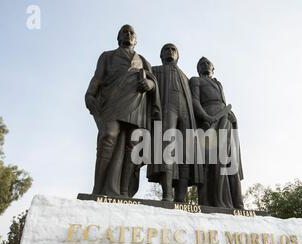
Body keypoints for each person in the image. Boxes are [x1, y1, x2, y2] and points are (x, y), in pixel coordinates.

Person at [85, 25, 161, 197]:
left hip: (136, 104)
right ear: (118, 38)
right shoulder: (108, 56)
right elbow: (98, 77)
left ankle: (125, 191)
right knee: (108, 136)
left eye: (132, 32)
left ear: (136, 39)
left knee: (132, 146)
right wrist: (90, 93)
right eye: (124, 32)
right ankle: (98, 189)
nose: (128, 34)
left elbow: (153, 82)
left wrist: (149, 84)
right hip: (113, 101)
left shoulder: (143, 60)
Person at [147, 44, 203, 201]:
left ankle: (181, 196)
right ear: (161, 55)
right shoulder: (155, 70)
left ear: (178, 55)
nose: (169, 52)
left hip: (186, 112)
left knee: (186, 153)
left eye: (173, 50)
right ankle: (167, 194)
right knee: (167, 148)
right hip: (167, 108)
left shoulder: (185, 77)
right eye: (166, 49)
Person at [190, 57, 244, 209]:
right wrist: (205, 117)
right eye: (201, 64)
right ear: (198, 69)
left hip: (225, 120)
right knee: (212, 160)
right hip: (208, 122)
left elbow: (224, 103)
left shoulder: (218, 84)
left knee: (230, 159)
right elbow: (194, 101)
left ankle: (237, 203)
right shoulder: (196, 80)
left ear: (213, 69)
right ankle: (216, 201)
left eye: (208, 64)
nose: (204, 65)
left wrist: (231, 117)